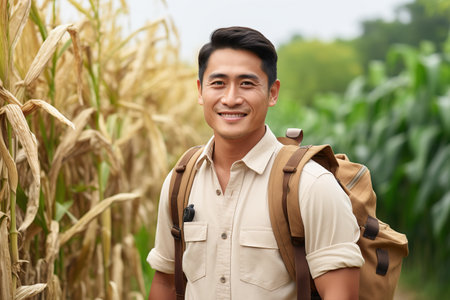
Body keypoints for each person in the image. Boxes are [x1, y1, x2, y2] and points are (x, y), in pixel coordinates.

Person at [147, 26, 364, 300]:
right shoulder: (180, 181)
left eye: (247, 83)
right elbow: (166, 283)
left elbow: (339, 294)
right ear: (201, 91)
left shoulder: (311, 186)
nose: (231, 98)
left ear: (273, 93)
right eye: (218, 83)